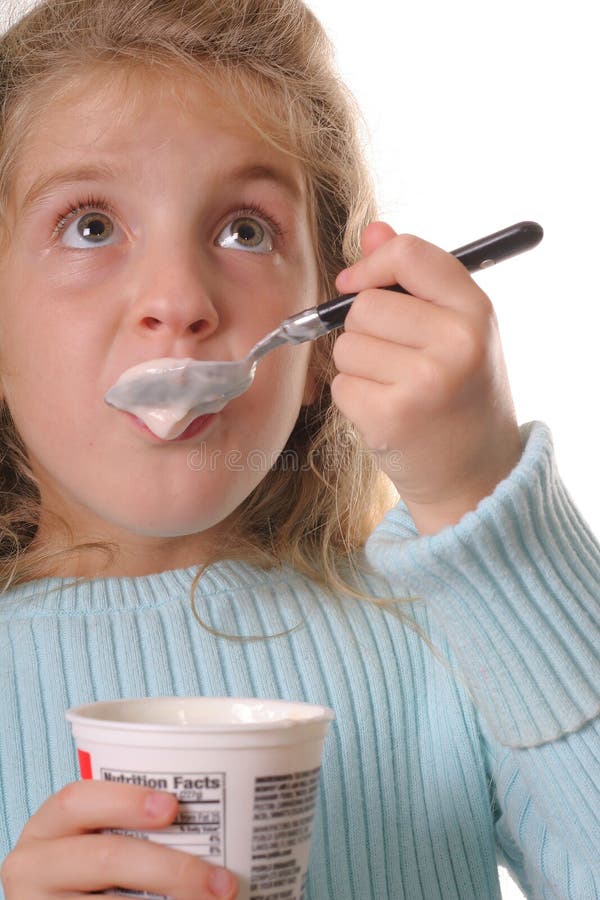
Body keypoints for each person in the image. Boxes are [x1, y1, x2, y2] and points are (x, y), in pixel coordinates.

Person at [0, 0, 598, 897]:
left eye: (245, 229)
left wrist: (474, 492)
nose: (178, 299)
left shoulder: (452, 635)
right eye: (90, 226)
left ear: (326, 341)